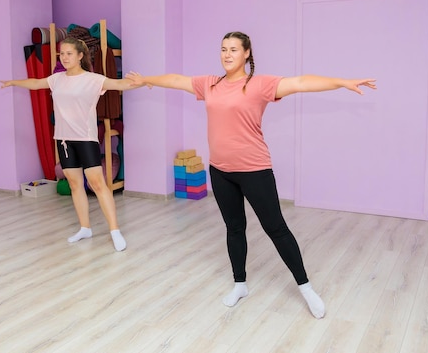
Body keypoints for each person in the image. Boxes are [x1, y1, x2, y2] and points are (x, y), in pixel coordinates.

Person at [126, 31, 376, 318]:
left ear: (247, 53)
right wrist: (146, 80)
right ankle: (239, 283)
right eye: (223, 49)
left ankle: (306, 288)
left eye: (233, 49)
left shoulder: (259, 85)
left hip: (255, 170)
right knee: (234, 228)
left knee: (276, 229)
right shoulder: (210, 84)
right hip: (220, 171)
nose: (227, 54)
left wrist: (342, 82)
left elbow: (302, 82)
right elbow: (175, 80)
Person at [1, 37, 140, 252]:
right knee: (75, 185)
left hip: (85, 139)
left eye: (68, 53)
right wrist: (13, 82)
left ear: (80, 56)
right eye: (61, 54)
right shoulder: (57, 79)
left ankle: (114, 230)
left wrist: (145, 80)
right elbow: (37, 83)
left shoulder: (93, 79)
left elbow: (119, 84)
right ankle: (85, 228)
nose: (64, 57)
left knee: (98, 184)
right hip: (64, 139)